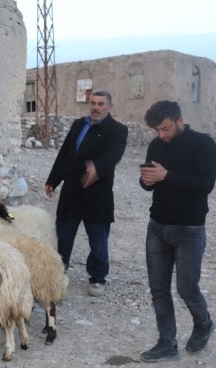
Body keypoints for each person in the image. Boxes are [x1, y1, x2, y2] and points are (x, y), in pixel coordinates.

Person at [138, 100, 216, 362]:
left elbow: (205, 184)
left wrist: (166, 176)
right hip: (157, 226)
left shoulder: (204, 145)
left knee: (186, 288)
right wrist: (146, 179)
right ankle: (166, 343)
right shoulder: (156, 144)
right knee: (158, 289)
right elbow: (150, 184)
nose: (162, 135)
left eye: (166, 129)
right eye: (157, 131)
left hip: (189, 229)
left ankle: (204, 322)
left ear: (179, 121)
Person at [44, 90, 128, 297]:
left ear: (109, 106)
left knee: (98, 239)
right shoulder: (78, 124)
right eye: (93, 103)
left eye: (101, 104)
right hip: (72, 190)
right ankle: (58, 272)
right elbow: (65, 154)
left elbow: (113, 156)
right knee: (63, 235)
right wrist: (53, 180)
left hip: (97, 193)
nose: (96, 108)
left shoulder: (118, 130)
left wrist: (95, 168)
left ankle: (98, 278)